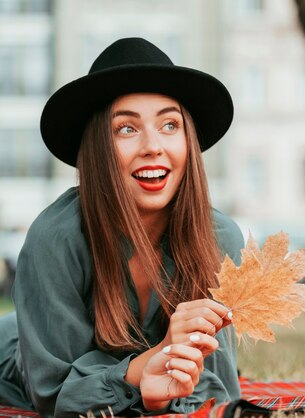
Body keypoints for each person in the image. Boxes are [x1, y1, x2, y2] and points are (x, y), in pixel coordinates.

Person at [0, 38, 245, 417]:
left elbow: (219, 388)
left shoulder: (220, 238)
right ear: (99, 148)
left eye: (169, 124)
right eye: (127, 129)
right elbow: (52, 391)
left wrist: (160, 391)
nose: (152, 146)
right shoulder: (55, 238)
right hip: (17, 353)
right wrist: (149, 363)